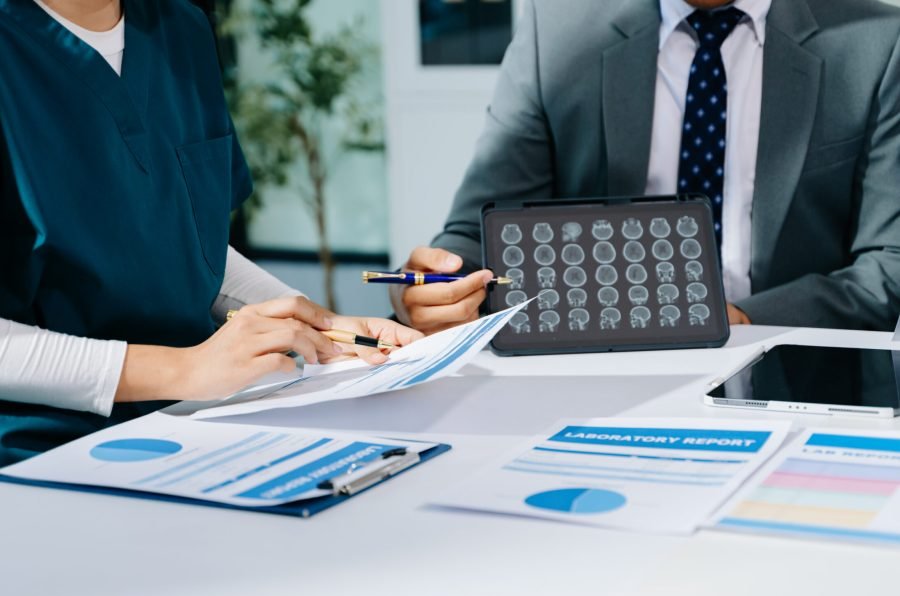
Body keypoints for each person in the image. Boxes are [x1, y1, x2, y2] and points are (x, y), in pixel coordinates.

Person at [0, 0, 421, 466]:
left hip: (198, 419)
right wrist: (184, 369)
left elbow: (189, 242)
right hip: (43, 447)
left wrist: (320, 327)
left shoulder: (181, 28)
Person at [393, 0, 900, 335]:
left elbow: (889, 263)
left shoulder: (877, 42)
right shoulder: (557, 32)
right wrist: (433, 288)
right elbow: (479, 232)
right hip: (596, 385)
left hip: (799, 385)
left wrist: (741, 321)